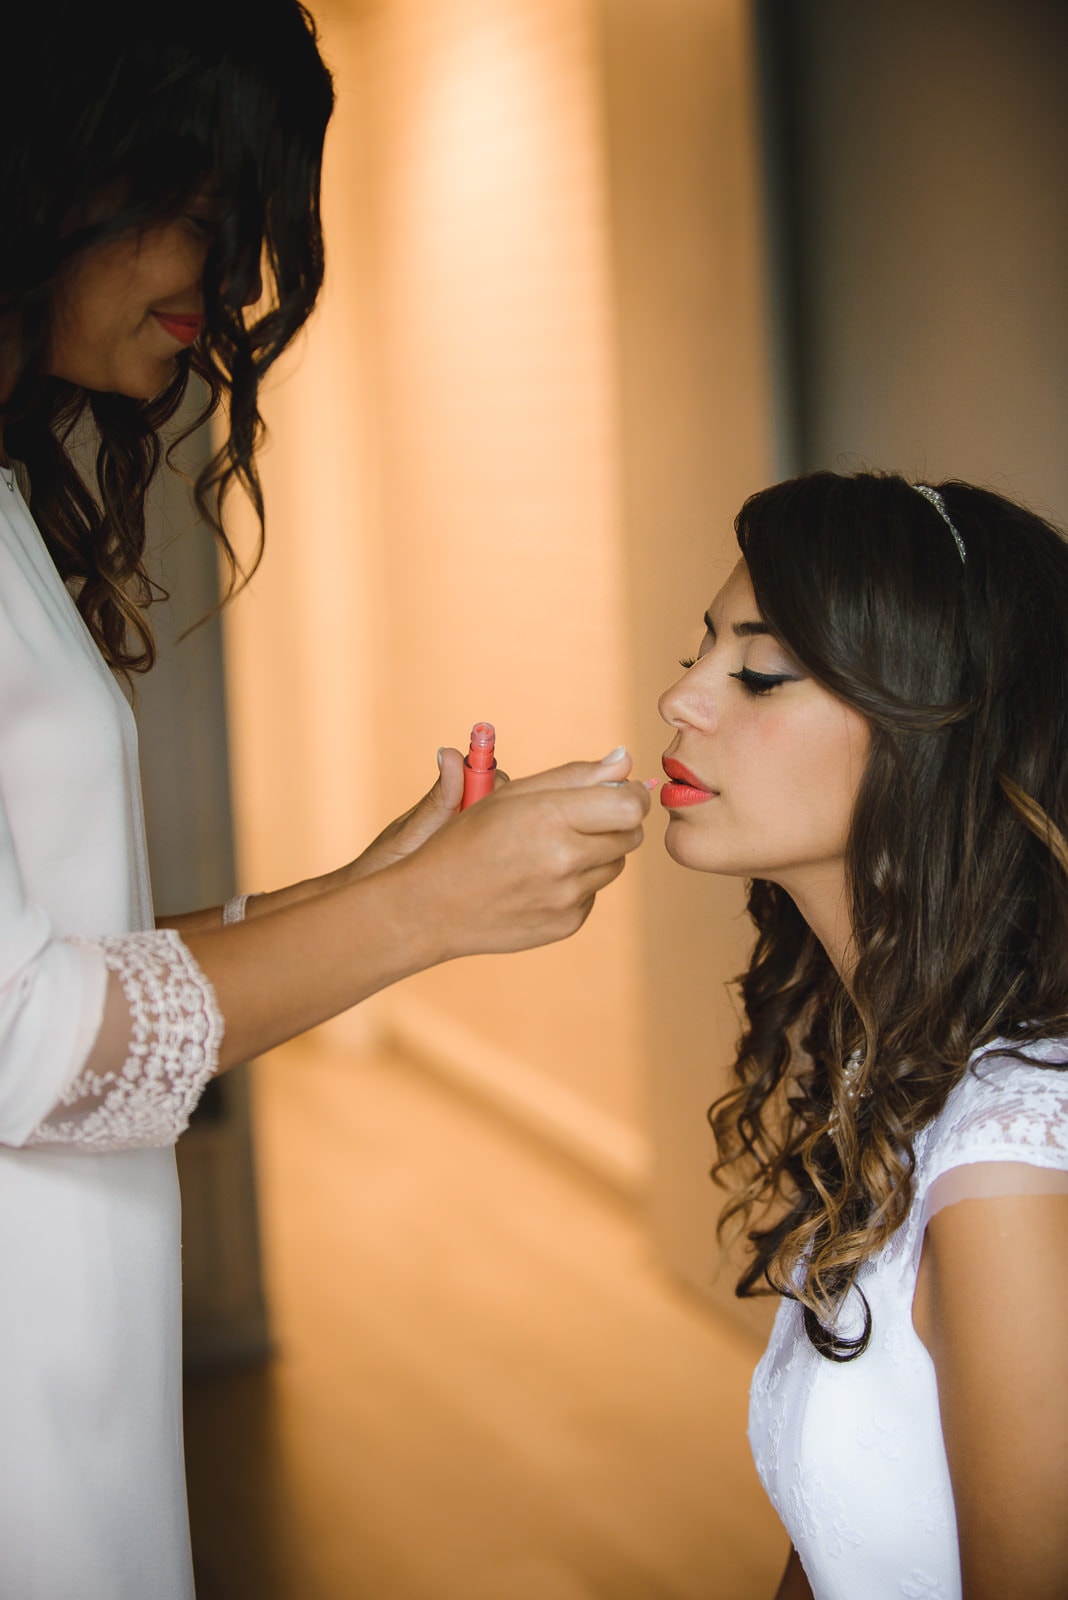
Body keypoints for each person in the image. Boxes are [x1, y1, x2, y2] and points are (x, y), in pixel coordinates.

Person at [0, 3, 650, 1594]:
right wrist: (417, 915)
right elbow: (17, 1039)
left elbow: (42, 952)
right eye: (209, 222)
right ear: (66, 164)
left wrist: (362, 891)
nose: (221, 300)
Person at [657, 470, 1068, 1600]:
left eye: (760, 672)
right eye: (700, 651)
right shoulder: (891, 1060)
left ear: (926, 737)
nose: (681, 700)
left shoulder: (1005, 1177)